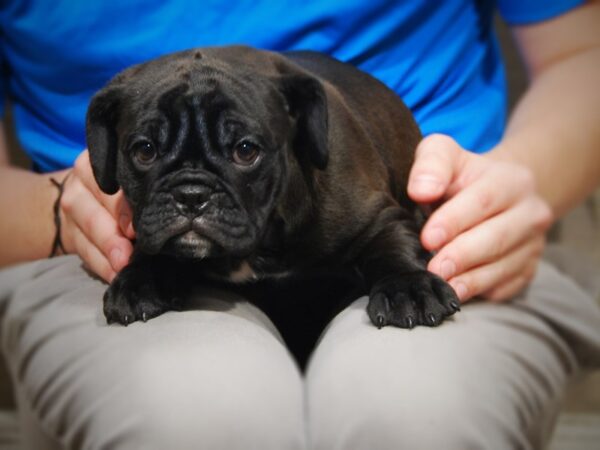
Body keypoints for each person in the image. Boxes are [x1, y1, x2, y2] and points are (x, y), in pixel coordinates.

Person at [0, 1, 599, 449]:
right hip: (91, 236)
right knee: (192, 419)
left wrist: (522, 180)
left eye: (241, 151)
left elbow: (584, 53)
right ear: (108, 139)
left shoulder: (340, 187)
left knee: (417, 418)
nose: (192, 194)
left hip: (451, 226)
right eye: (149, 152)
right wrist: (51, 212)